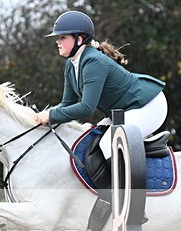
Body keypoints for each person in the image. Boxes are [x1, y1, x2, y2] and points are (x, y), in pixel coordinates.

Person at [34, 11, 168, 161]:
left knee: (108, 144)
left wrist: (51, 115)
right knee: (92, 138)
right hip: (125, 110)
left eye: (62, 37)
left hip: (148, 105)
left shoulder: (93, 62)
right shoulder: (71, 65)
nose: (57, 41)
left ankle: (137, 177)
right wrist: (46, 114)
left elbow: (87, 107)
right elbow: (67, 103)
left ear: (79, 39)